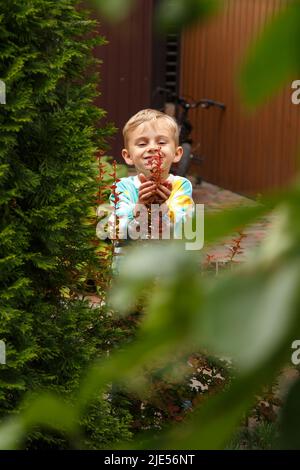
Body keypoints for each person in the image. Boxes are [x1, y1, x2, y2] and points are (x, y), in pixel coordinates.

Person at [108, 109, 195, 266]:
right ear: (128, 156)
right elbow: (116, 232)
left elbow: (184, 231)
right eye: (142, 143)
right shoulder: (122, 188)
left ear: (177, 153)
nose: (153, 148)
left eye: (161, 142)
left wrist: (161, 207)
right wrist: (140, 207)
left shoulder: (181, 186)